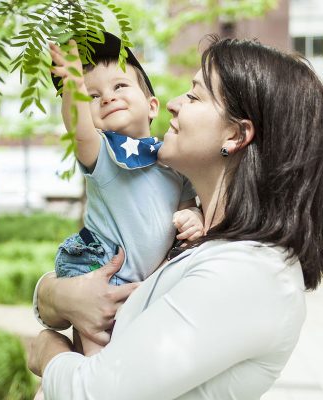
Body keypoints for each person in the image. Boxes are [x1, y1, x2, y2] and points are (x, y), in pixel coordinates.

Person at [28, 35, 323, 399]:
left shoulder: (247, 272)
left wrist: (49, 352)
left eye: (194, 96)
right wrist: (54, 296)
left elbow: (94, 391)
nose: (173, 104)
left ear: (236, 134)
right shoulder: (208, 244)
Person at [48, 32, 204, 356]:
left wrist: (194, 216)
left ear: (152, 106)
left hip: (144, 286)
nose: (107, 97)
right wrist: (73, 90)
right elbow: (79, 131)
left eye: (119, 86)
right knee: (97, 358)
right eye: (93, 96)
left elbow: (188, 210)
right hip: (99, 273)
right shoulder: (102, 154)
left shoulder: (173, 163)